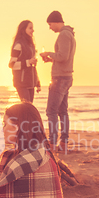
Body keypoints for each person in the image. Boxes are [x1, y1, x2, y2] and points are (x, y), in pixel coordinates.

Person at [40, 11, 76, 153]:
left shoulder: (64, 35)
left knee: (51, 111)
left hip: (60, 78)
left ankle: (53, 143)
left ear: (56, 21)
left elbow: (63, 56)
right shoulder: (69, 34)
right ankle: (63, 142)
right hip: (66, 76)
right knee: (62, 111)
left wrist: (48, 53)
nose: (50, 28)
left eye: (50, 24)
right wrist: (51, 59)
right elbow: (63, 58)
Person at [9, 20, 41, 103]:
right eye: (30, 28)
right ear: (23, 30)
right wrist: (28, 62)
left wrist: (37, 82)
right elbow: (11, 65)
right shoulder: (18, 45)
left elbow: (33, 66)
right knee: (27, 107)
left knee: (30, 108)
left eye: (33, 28)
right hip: (21, 83)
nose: (33, 30)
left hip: (31, 83)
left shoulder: (31, 45)